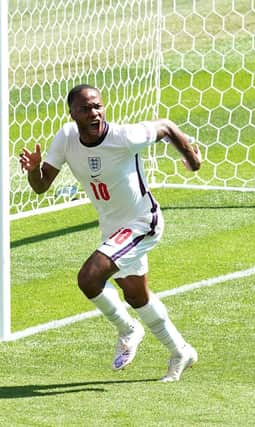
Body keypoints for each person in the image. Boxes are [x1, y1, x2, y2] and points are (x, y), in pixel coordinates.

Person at [19, 84, 202, 382]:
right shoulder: (66, 138)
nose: (94, 113)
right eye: (85, 108)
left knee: (89, 277)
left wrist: (193, 162)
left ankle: (128, 329)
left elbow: (166, 127)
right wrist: (33, 169)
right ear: (72, 114)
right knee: (136, 295)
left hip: (143, 222)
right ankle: (181, 351)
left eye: (98, 106)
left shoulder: (124, 137)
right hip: (113, 228)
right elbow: (41, 187)